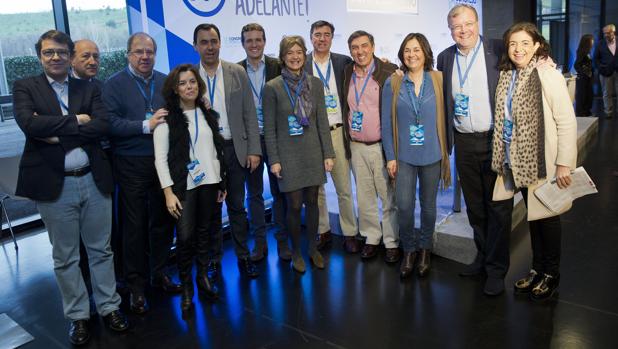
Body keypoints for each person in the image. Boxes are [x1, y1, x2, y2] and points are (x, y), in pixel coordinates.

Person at [13, 30, 128, 345]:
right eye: (49, 52)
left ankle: (109, 307)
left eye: (62, 52)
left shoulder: (88, 87)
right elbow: (29, 124)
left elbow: (102, 124)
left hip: (93, 178)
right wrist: (78, 121)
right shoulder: (26, 87)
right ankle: (78, 316)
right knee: (65, 257)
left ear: (69, 55)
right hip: (55, 186)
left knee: (101, 250)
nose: (56, 58)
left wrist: (53, 131)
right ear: (40, 55)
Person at [491, 22, 577, 301]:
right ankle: (537, 269)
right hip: (517, 160)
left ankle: (551, 274)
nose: (518, 49)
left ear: (537, 45)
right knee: (534, 219)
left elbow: (566, 120)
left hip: (544, 161)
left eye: (525, 43)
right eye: (513, 44)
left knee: (548, 220)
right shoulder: (509, 75)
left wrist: (564, 163)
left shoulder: (546, 74)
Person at [436, 4, 514, 296]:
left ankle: (496, 269)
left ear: (477, 23)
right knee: (476, 208)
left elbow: (526, 63)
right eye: (457, 27)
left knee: (499, 208)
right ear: (450, 30)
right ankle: (482, 258)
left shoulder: (498, 49)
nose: (463, 31)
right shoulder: (445, 58)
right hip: (465, 143)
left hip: (495, 141)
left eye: (468, 24)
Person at [103, 33, 182, 315]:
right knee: (134, 227)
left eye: (149, 51)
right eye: (139, 52)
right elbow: (109, 123)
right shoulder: (113, 85)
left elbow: (179, 112)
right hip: (130, 162)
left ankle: (159, 273)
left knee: (163, 221)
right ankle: (136, 285)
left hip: (163, 162)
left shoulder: (165, 82)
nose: (144, 56)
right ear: (128, 54)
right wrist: (145, 125)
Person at [154, 64, 226, 313]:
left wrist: (221, 181)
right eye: (183, 83)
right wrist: (168, 192)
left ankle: (202, 277)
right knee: (185, 238)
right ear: (175, 88)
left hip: (209, 182)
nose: (189, 87)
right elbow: (160, 160)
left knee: (206, 233)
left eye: (193, 82)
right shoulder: (166, 120)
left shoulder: (208, 114)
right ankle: (186, 287)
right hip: (184, 187)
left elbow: (216, 150)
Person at [193, 23, 262, 279]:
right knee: (211, 210)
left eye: (213, 41)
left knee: (236, 206)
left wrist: (254, 149)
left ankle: (244, 256)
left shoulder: (237, 72)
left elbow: (249, 114)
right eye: (204, 42)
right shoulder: (190, 77)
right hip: (207, 153)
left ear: (220, 43)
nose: (209, 47)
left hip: (235, 149)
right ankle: (214, 260)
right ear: (196, 46)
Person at [262, 35, 335, 273]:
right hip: (288, 155)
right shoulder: (272, 87)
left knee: (313, 202)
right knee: (293, 205)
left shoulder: (314, 84)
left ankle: (312, 249)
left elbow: (322, 122)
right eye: (290, 53)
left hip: (312, 151)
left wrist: (328, 153)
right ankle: (295, 252)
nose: (295, 57)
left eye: (299, 52)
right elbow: (270, 129)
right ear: (283, 57)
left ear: (305, 55)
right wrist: (274, 160)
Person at [381, 33, 451, 279]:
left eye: (417, 50)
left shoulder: (439, 79)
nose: (412, 55)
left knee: (429, 207)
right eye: (407, 50)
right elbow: (386, 124)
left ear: (425, 52)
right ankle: (409, 250)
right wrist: (390, 156)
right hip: (404, 156)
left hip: (432, 153)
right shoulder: (394, 82)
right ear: (402, 55)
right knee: (405, 206)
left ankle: (425, 250)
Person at [342, 30, 399, 262]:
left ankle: (392, 241)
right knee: (364, 197)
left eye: (364, 46)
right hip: (356, 146)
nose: (360, 51)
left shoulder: (388, 70)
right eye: (355, 47)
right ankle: (371, 237)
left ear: (373, 47)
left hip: (380, 146)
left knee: (387, 196)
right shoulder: (346, 72)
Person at [237, 23, 292, 262]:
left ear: (265, 41)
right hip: (251, 140)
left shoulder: (277, 67)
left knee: (280, 192)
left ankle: (282, 241)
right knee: (255, 194)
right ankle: (259, 243)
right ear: (242, 43)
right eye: (249, 40)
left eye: (258, 39)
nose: (254, 44)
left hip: (276, 137)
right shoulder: (235, 71)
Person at [305, 20, 358, 253]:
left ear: (332, 38)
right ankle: (323, 231)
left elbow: (368, 66)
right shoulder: (302, 63)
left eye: (327, 34)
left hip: (337, 132)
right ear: (311, 37)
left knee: (344, 188)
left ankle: (349, 233)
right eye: (318, 34)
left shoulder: (342, 62)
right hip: (312, 135)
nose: (322, 39)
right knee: (316, 190)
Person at [593, 24, 618, 118]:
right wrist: (601, 68)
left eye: (608, 33)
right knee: (606, 93)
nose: (606, 35)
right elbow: (595, 59)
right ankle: (608, 112)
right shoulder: (600, 43)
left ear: (613, 32)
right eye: (604, 33)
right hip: (605, 72)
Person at [574, 34, 594, 117]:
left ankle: (586, 111)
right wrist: (584, 72)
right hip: (583, 78)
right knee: (582, 96)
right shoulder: (582, 52)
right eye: (591, 41)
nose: (593, 42)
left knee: (589, 95)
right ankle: (582, 113)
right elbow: (577, 65)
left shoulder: (587, 51)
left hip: (587, 78)